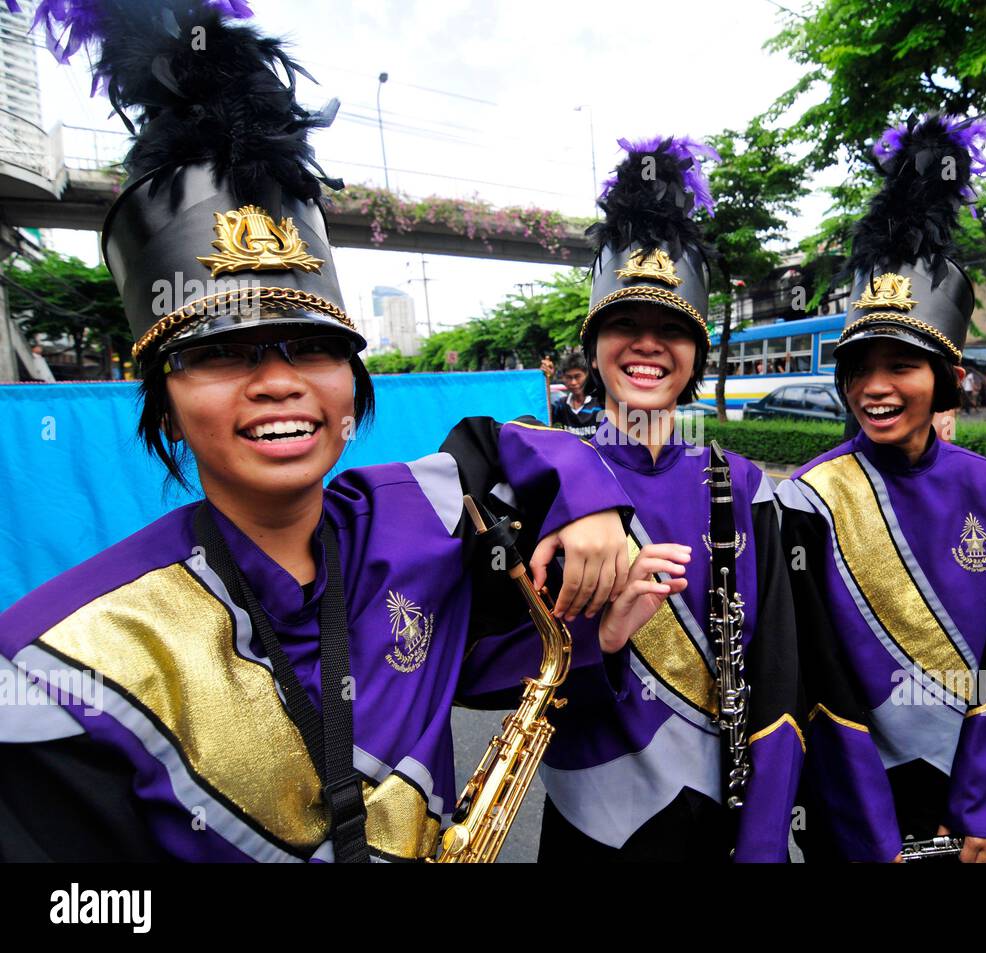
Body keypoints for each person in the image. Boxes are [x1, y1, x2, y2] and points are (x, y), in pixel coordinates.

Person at [0, 0, 631, 863]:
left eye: (311, 347)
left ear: (352, 384)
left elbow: (500, 452)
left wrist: (591, 508)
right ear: (164, 398)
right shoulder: (60, 659)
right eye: (224, 353)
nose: (279, 382)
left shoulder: (411, 522)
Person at [460, 136, 803, 863]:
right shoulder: (542, 475)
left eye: (672, 329)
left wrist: (767, 841)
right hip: (590, 830)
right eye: (625, 325)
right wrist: (600, 642)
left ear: (698, 352)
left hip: (724, 827)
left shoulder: (745, 488)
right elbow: (480, 669)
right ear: (594, 344)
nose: (648, 345)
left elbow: (778, 684)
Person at [777, 113, 986, 863]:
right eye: (860, 367)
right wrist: (863, 825)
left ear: (944, 379)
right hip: (845, 788)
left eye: (903, 366)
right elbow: (816, 675)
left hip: (955, 789)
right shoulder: (807, 497)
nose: (877, 387)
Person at [550, 353, 603, 438]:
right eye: (569, 377)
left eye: (577, 376)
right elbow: (543, 416)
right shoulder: (561, 405)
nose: (573, 382)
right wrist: (546, 377)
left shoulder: (601, 403)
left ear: (588, 376)